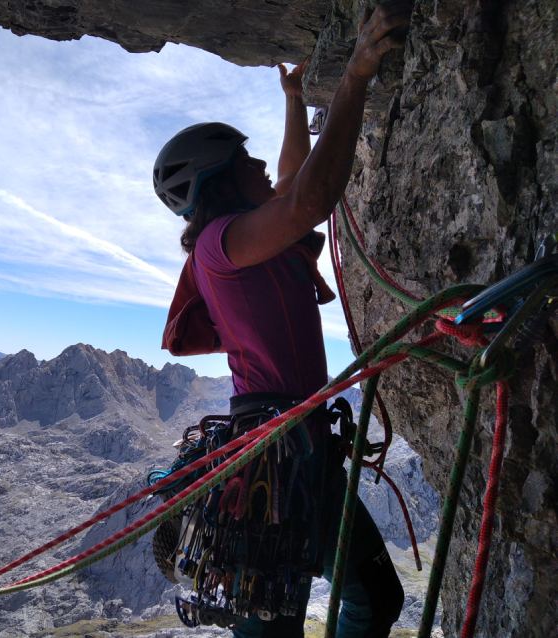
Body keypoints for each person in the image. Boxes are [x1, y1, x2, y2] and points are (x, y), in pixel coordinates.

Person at [153, 3, 411, 637]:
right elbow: (308, 199)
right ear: (218, 180)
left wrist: (295, 100)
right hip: (273, 452)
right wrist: (355, 76)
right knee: (290, 614)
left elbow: (295, 178)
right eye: (247, 162)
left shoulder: (247, 236)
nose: (261, 166)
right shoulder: (219, 244)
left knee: (373, 597)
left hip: (291, 444)